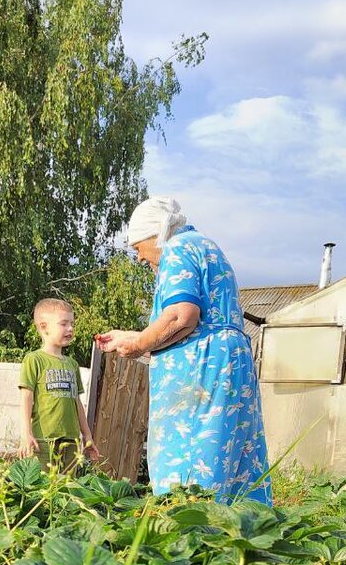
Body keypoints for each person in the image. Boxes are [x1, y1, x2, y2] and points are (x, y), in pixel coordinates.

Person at [96, 197, 272, 504]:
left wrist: (138, 345)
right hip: (226, 365)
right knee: (231, 467)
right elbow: (193, 323)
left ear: (157, 234)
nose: (139, 258)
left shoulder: (176, 248)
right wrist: (135, 337)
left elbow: (181, 316)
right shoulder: (205, 246)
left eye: (138, 247)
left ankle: (191, 540)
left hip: (203, 374)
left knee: (192, 469)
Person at [19, 298, 100, 470]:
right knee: (42, 489)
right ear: (43, 327)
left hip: (71, 441)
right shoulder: (34, 360)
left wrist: (87, 435)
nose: (70, 328)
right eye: (63, 324)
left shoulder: (72, 364)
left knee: (66, 490)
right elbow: (26, 398)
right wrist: (26, 433)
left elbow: (77, 403)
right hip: (44, 440)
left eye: (72, 323)